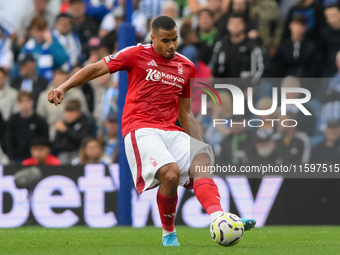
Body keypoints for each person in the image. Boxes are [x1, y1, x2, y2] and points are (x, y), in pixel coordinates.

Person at [47, 16, 255, 246]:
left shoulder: (186, 66)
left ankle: (220, 218)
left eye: (175, 39)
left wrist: (199, 145)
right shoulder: (135, 54)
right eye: (166, 40)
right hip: (141, 128)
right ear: (153, 37)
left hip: (170, 128)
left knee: (202, 159)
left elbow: (185, 113)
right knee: (170, 173)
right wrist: (63, 86)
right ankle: (169, 233)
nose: (172, 45)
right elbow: (97, 68)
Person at [36, 69, 89, 141]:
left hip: (75, 133)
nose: (61, 82)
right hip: (53, 134)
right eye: (59, 79)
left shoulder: (77, 94)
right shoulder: (44, 96)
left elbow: (84, 113)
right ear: (53, 80)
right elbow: (40, 118)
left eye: (64, 80)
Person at [210, 13, 265, 79]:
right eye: (232, 23)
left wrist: (251, 87)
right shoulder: (221, 45)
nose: (235, 25)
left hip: (248, 84)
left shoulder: (252, 45)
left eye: (238, 23)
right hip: (225, 84)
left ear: (244, 25)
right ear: (228, 26)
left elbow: (261, 69)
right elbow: (213, 66)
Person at [16, 16, 68, 82]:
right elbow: (19, 66)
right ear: (32, 31)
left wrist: (51, 44)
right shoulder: (28, 46)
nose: (39, 34)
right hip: (33, 82)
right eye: (37, 30)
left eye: (42, 30)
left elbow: (61, 60)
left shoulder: (54, 42)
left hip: (50, 82)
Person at [5, 91, 49, 164]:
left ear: (32, 102)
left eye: (27, 101)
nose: (25, 104)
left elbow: (44, 141)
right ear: (18, 103)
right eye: (22, 102)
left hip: (35, 159)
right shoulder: (12, 120)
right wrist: (11, 156)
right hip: (17, 158)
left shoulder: (40, 121)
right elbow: (8, 140)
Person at [53, 100, 92, 164]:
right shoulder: (62, 124)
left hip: (78, 153)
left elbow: (82, 141)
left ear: (79, 112)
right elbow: (56, 144)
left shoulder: (85, 123)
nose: (69, 115)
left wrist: (66, 130)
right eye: (67, 112)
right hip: (63, 154)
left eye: (72, 112)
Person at [320, 4, 340, 77]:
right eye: (328, 17)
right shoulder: (324, 33)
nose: (331, 19)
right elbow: (322, 55)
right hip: (330, 71)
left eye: (334, 15)